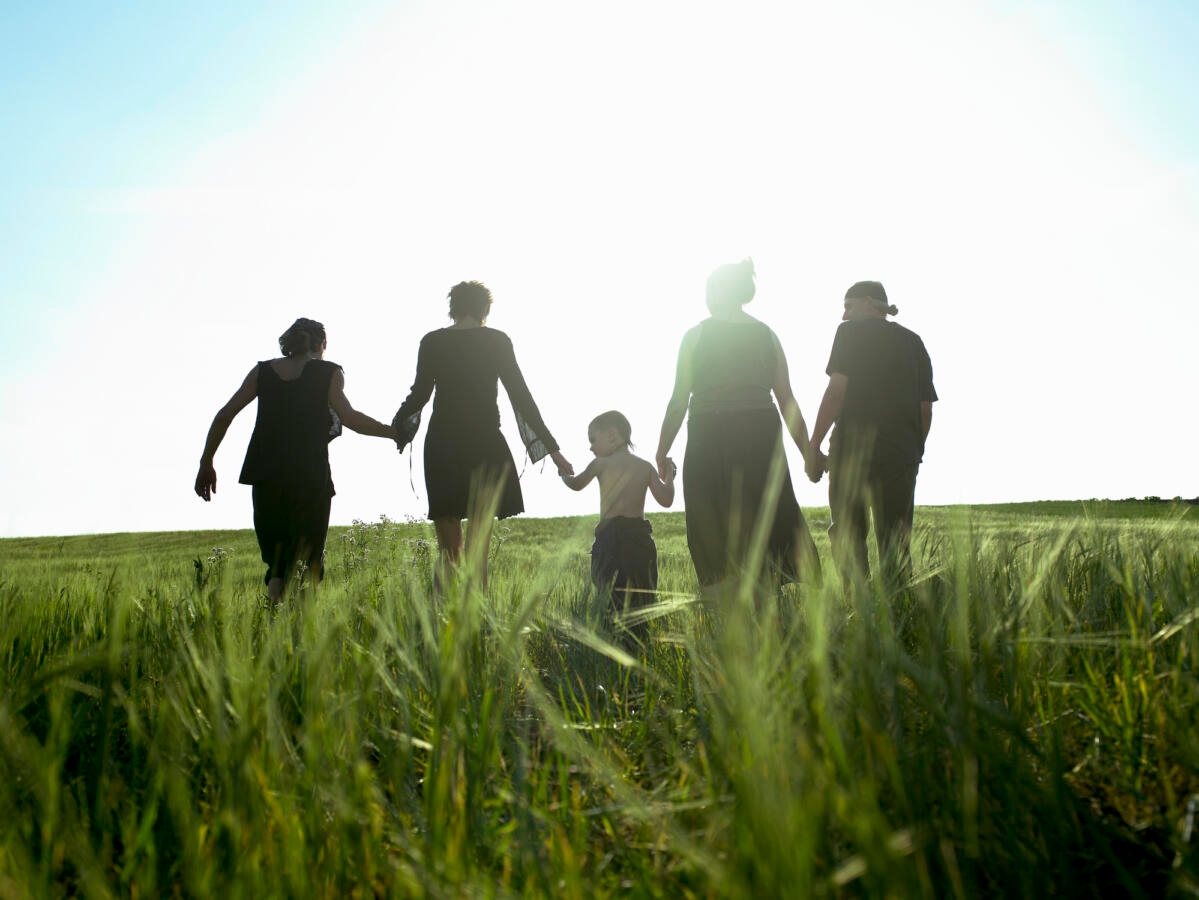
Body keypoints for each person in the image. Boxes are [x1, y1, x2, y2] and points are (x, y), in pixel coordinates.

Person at [194, 318, 397, 602]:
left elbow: (225, 415)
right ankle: (304, 634)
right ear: (320, 344)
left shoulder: (262, 372)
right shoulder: (329, 372)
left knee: (276, 564)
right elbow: (350, 418)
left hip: (266, 475)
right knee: (308, 560)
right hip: (310, 476)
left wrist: (207, 462)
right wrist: (393, 433)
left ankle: (274, 626)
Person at [393, 281, 572, 588]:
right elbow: (521, 396)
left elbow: (418, 395)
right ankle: (479, 625)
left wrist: (397, 429)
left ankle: (441, 625)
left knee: (449, 551)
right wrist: (553, 451)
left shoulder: (432, 341)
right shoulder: (497, 341)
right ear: (484, 309)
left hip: (443, 445)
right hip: (485, 443)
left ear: (453, 308)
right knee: (478, 553)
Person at [656, 259, 820, 590]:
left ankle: (726, 618)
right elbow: (787, 401)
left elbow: (677, 401)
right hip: (760, 435)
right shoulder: (768, 336)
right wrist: (808, 453)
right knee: (768, 517)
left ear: (717, 292)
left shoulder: (695, 336)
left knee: (711, 521)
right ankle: (768, 610)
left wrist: (661, 451)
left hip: (709, 436)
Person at [805, 281, 937, 583]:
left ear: (868, 303)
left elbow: (836, 391)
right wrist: (913, 451)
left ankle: (857, 609)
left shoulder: (850, 334)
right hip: (900, 455)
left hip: (851, 454)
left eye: (848, 306)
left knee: (849, 535)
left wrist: (814, 445)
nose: (844, 316)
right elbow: (925, 409)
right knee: (896, 543)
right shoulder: (914, 342)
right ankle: (900, 612)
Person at [561, 411, 676, 637]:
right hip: (639, 541)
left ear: (612, 436)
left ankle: (612, 646)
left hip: (609, 539)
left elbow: (575, 484)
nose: (591, 448)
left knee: (608, 596)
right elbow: (667, 499)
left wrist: (563, 474)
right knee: (642, 596)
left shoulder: (600, 464)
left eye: (593, 440)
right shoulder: (644, 467)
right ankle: (640, 644)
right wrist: (670, 475)